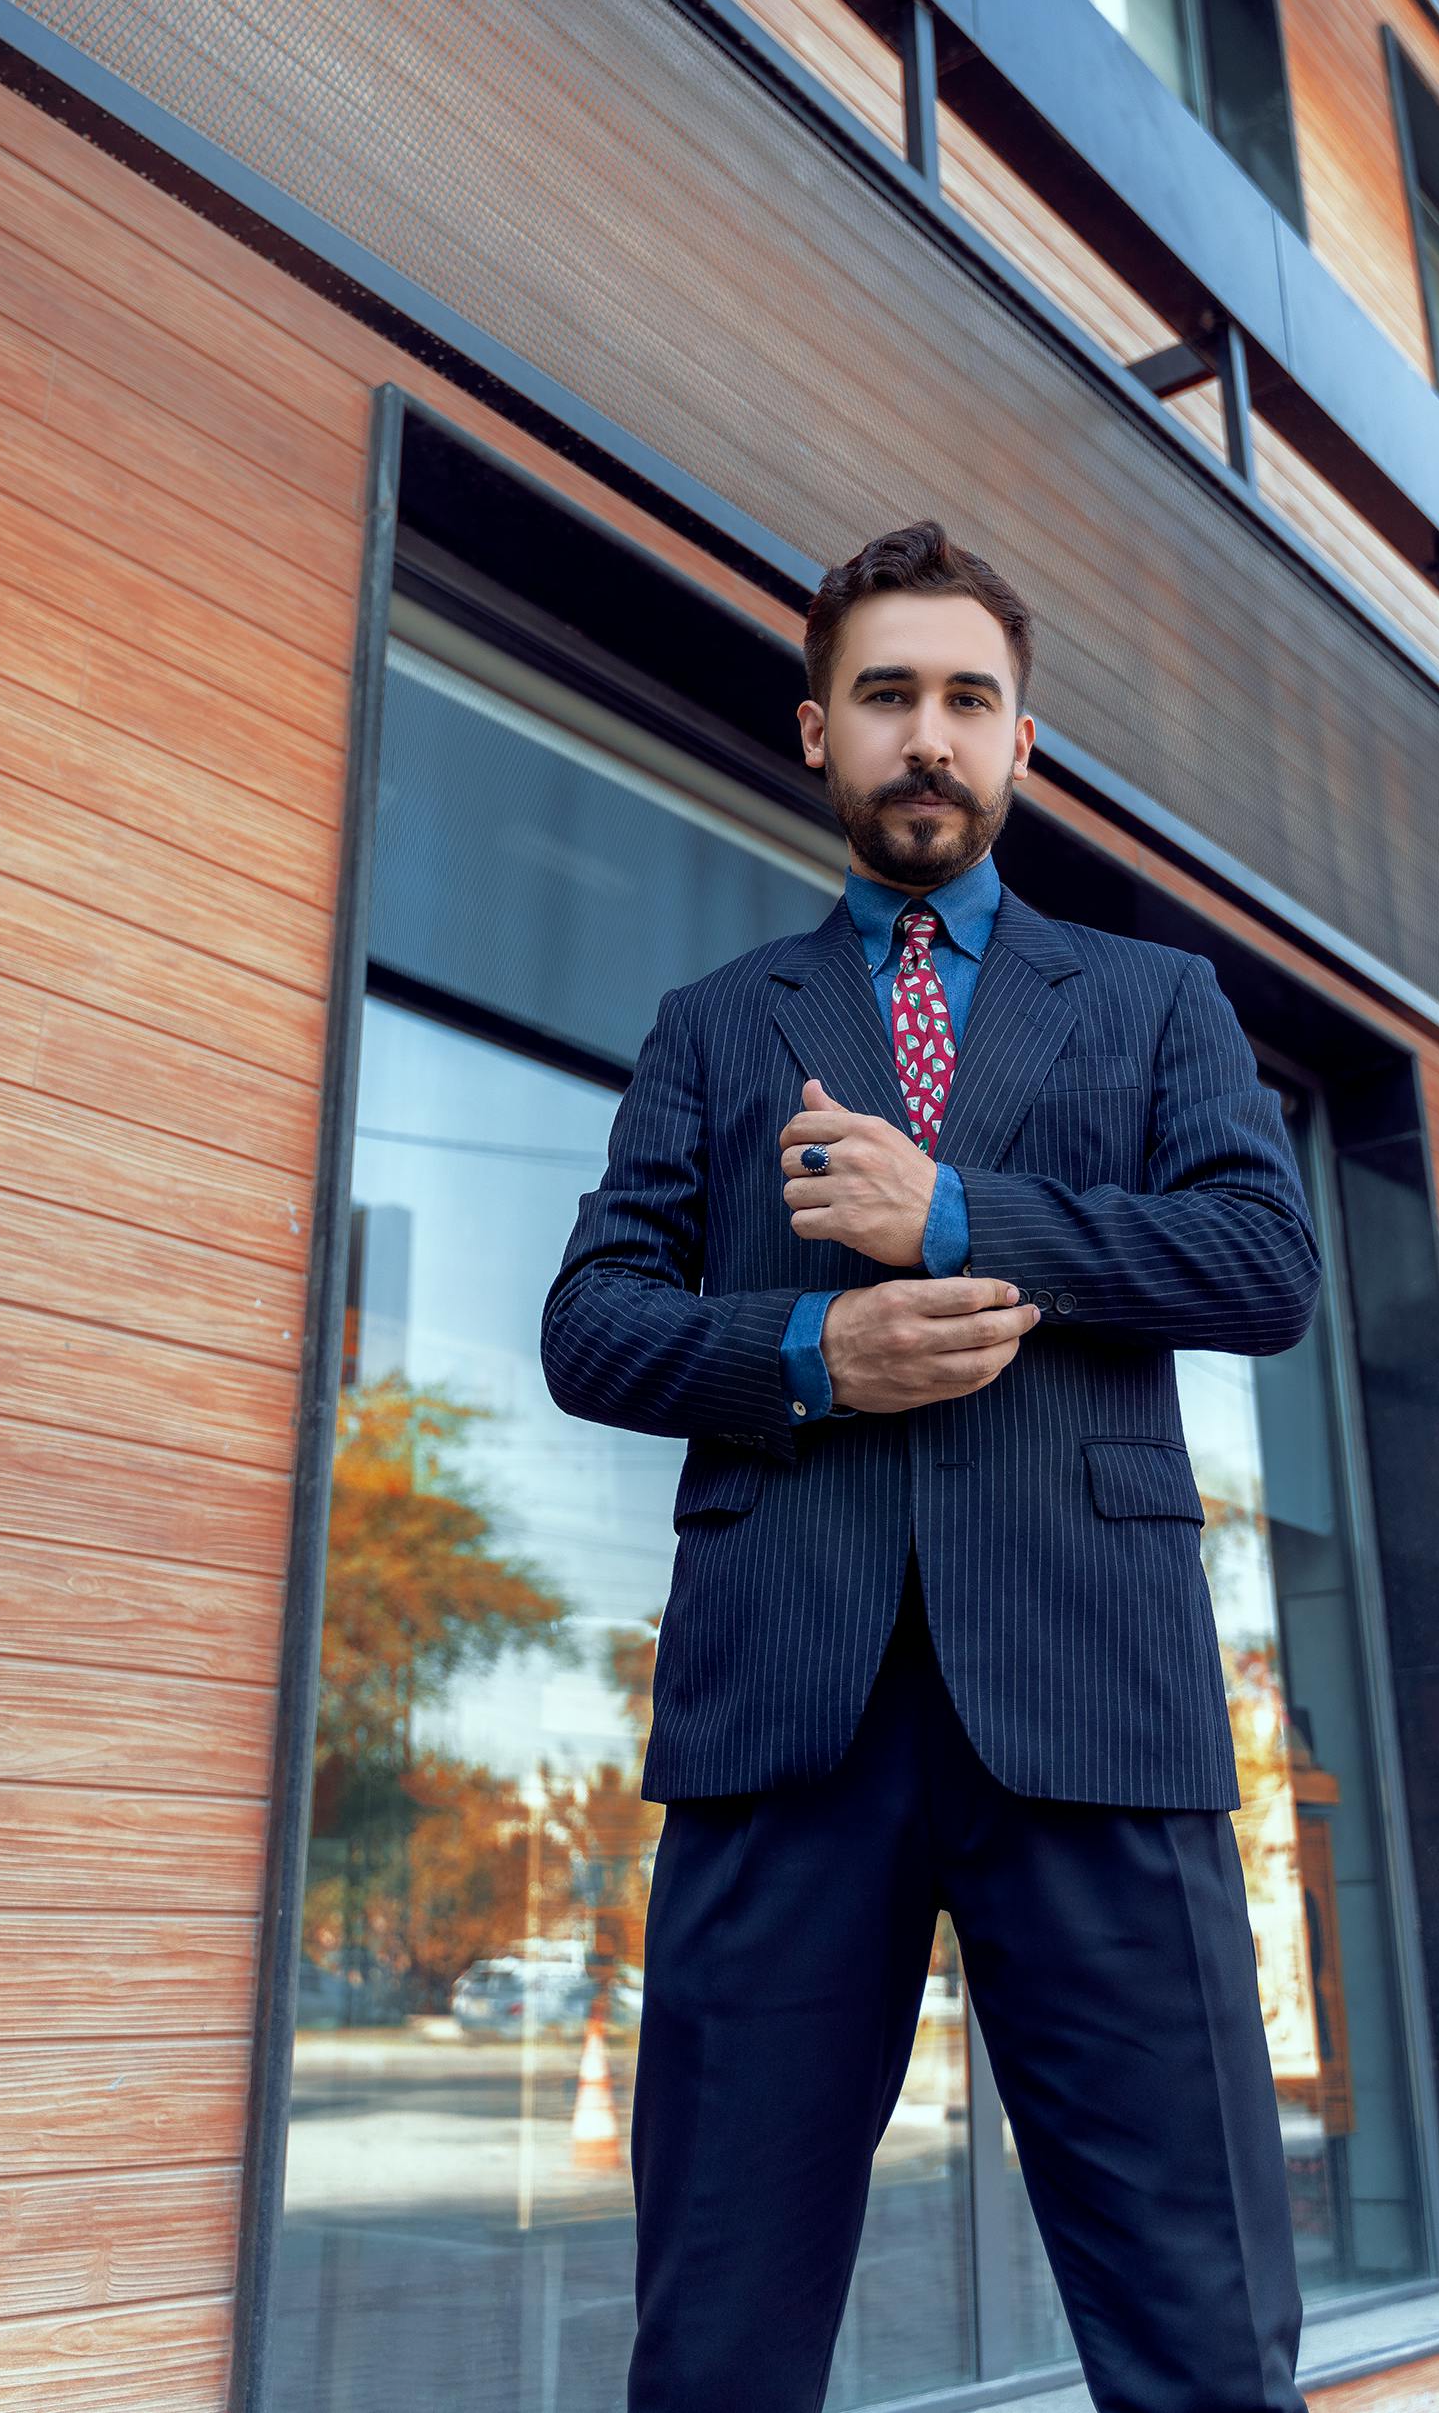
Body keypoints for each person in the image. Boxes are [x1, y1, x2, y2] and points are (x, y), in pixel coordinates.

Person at [542, 521, 1321, 2413]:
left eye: (968, 698)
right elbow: (593, 1325)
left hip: (1096, 1705)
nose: (929, 735)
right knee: (718, 2337)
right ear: (817, 732)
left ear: (1022, 742)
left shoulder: (1157, 1005)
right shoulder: (714, 1030)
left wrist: (961, 1213)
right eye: (887, 695)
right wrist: (815, 1349)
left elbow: (1265, 1263)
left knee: (1202, 2333)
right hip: (783, 1724)